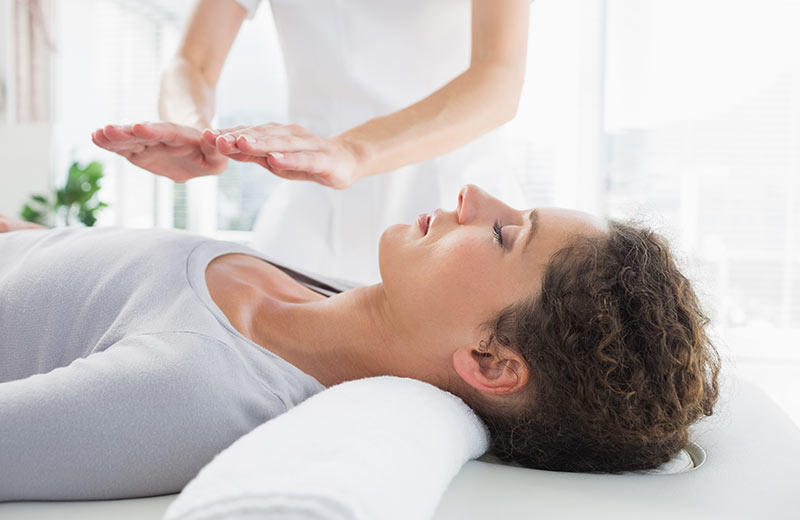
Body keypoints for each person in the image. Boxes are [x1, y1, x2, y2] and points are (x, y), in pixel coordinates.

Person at [0, 184, 720, 501]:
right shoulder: (328, 292)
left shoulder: (196, 390)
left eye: (504, 233)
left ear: (492, 361)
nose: (474, 198)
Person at [91, 0, 531, 284]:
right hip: (310, 215)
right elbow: (192, 62)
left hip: (453, 213)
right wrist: (193, 129)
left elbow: (498, 78)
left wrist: (353, 151)